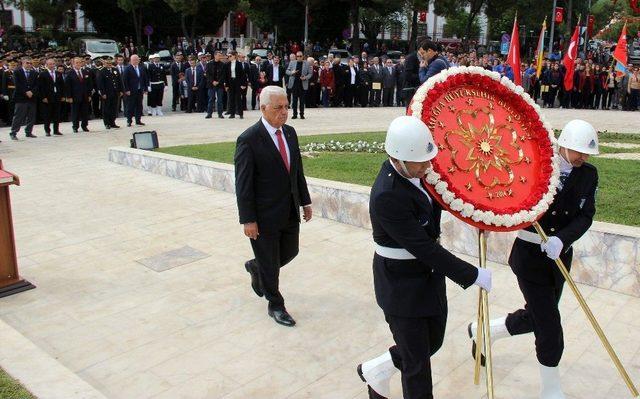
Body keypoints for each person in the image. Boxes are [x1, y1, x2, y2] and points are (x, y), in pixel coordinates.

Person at [358, 116, 491, 399]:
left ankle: (378, 369)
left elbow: (448, 198)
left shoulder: (419, 172)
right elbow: (424, 247)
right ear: (397, 157)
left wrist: (478, 216)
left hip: (428, 277)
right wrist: (472, 274)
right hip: (401, 286)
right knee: (418, 365)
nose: (428, 166)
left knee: (432, 341)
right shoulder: (387, 195)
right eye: (420, 162)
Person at [468, 119, 599, 399]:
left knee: (537, 316)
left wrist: (562, 239)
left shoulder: (589, 174)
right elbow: (506, 195)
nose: (583, 158)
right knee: (550, 328)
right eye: (578, 151)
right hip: (529, 258)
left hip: (559, 258)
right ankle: (550, 390)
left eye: (587, 153)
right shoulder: (538, 166)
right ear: (563, 145)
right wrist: (488, 221)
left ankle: (484, 331)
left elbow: (586, 215)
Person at [234, 85, 312, 327]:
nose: (284, 112)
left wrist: (305, 200)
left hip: (288, 209)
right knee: (271, 264)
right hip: (263, 215)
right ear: (263, 108)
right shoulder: (248, 140)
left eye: (287, 107)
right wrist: (248, 219)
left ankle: (257, 266)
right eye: (279, 108)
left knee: (290, 251)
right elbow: (243, 185)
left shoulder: (289, 133)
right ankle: (275, 304)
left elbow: (296, 171)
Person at [9, 57, 39, 140]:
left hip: (32, 97)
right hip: (21, 97)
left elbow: (37, 85)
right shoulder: (17, 72)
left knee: (31, 116)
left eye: (30, 63)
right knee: (19, 116)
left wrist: (32, 92)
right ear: (22, 63)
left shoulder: (34, 73)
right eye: (27, 63)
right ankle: (13, 132)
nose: (29, 64)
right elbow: (17, 84)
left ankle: (28, 132)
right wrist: (26, 92)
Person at [38, 57, 64, 136]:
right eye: (50, 64)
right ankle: (47, 130)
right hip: (48, 97)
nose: (52, 65)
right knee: (47, 115)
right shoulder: (43, 74)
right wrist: (43, 97)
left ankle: (56, 130)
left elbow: (62, 85)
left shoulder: (58, 73)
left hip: (57, 96)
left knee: (57, 114)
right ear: (46, 65)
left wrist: (62, 95)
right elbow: (41, 87)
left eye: (53, 64)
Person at [96, 57, 123, 129]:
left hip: (115, 93)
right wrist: (103, 93)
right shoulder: (102, 71)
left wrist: (120, 90)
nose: (109, 64)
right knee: (106, 109)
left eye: (110, 63)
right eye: (107, 63)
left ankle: (112, 122)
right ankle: (107, 123)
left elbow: (119, 81)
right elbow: (100, 84)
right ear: (104, 64)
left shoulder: (115, 70)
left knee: (114, 108)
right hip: (107, 94)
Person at [122, 54, 148, 127]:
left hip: (139, 90)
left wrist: (145, 88)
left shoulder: (141, 68)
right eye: (134, 60)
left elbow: (144, 79)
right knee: (130, 106)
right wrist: (127, 90)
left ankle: (138, 120)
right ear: (131, 60)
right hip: (131, 91)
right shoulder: (127, 68)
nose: (136, 61)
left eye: (137, 60)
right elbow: (125, 80)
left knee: (139, 106)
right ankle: (129, 121)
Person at [285, 51, 312, 119]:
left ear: (303, 56)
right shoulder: (292, 62)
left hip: (302, 84)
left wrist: (305, 77)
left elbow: (310, 74)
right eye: (297, 56)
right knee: (294, 100)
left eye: (300, 56)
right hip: (294, 84)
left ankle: (302, 114)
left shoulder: (307, 63)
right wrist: (292, 72)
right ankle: (294, 114)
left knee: (302, 101)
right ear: (296, 57)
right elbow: (287, 71)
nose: (299, 57)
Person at [223, 51, 247, 119]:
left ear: (234, 56)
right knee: (231, 98)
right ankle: (232, 113)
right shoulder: (227, 64)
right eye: (228, 56)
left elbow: (243, 75)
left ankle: (240, 113)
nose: (229, 57)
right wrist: (226, 85)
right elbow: (226, 76)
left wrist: (243, 84)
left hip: (237, 82)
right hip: (230, 82)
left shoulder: (239, 64)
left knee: (238, 98)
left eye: (230, 56)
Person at [205, 50, 225, 119]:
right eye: (219, 55)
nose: (220, 57)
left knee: (220, 100)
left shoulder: (222, 65)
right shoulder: (209, 64)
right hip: (211, 84)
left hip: (219, 85)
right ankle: (209, 113)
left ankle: (220, 114)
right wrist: (212, 81)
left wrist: (218, 82)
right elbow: (207, 74)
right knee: (211, 99)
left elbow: (223, 75)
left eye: (221, 55)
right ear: (215, 56)